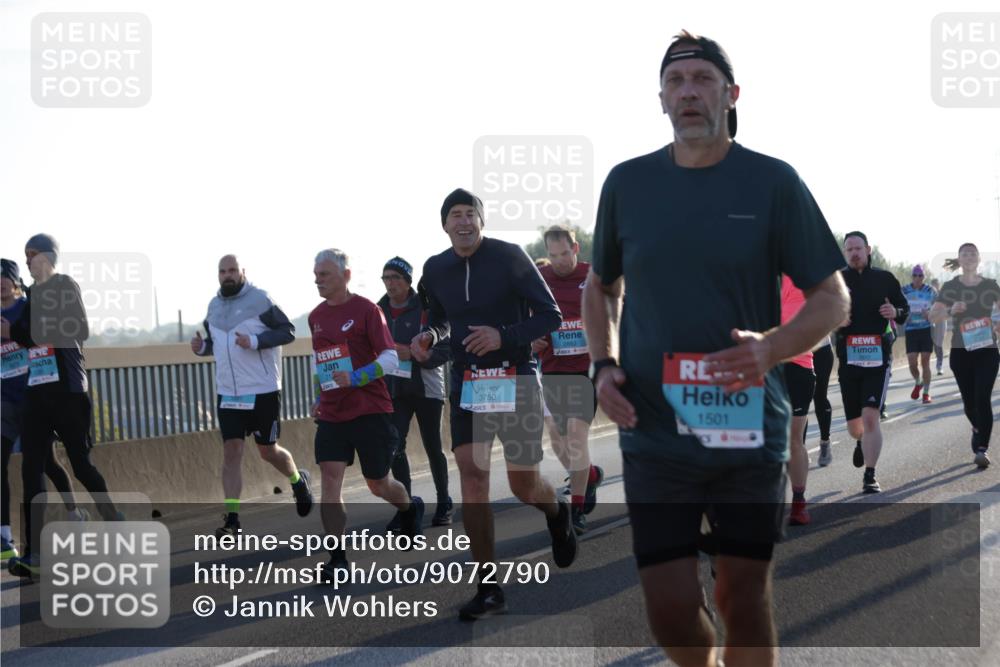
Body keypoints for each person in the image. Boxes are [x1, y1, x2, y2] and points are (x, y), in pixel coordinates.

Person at [582, 31, 848, 667]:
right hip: (654, 430)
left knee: (743, 596)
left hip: (746, 428)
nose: (689, 92)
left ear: (730, 95)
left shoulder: (772, 182)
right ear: (662, 100)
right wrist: (602, 363)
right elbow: (600, 287)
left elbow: (833, 298)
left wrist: (771, 349)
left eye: (702, 79)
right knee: (670, 609)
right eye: (676, 82)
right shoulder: (628, 183)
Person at [412, 188, 577, 621]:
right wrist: (430, 337)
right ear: (444, 224)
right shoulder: (434, 268)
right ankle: (488, 587)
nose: (463, 222)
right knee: (473, 477)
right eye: (455, 215)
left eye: (471, 214)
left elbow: (551, 316)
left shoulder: (510, 257)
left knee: (523, 485)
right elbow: (440, 319)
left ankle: (557, 513)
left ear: (481, 221)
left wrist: (503, 336)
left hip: (516, 376)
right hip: (468, 381)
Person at [3, 235, 123, 577]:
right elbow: (25, 336)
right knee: (31, 468)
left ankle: (113, 519)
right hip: (37, 393)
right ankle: (34, 554)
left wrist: (20, 330)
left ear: (48, 256)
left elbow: (79, 328)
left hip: (69, 391)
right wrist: (16, 330)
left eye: (32, 254)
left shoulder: (64, 285)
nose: (27, 261)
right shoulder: (31, 296)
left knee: (81, 465)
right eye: (24, 256)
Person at [310, 249, 423, 574]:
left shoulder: (367, 310)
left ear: (345, 276)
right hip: (332, 413)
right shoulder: (315, 316)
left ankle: (408, 508)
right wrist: (320, 393)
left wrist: (357, 377)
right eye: (316, 274)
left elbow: (390, 358)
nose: (318, 279)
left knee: (378, 483)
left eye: (325, 274)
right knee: (330, 482)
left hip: (370, 410)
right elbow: (322, 361)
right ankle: (337, 559)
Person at [191, 254, 312, 537]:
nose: (227, 275)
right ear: (218, 275)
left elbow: (288, 331)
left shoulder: (261, 299)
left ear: (243, 271)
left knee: (267, 451)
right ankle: (232, 520)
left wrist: (255, 341)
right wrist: (201, 347)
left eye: (232, 270)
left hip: (262, 390)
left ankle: (297, 480)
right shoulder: (213, 306)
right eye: (222, 271)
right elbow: (216, 346)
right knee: (231, 453)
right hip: (228, 394)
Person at [1, 258, 87, 562]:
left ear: (14, 281)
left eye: (5, 277)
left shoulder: (28, 306)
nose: (0, 283)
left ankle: (74, 513)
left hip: (34, 394)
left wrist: (12, 333)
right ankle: (5, 538)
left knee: (47, 463)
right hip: (5, 400)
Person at [532, 224, 604, 534]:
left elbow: (616, 312)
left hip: (586, 370)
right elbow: (525, 318)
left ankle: (575, 510)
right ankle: (587, 476)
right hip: (552, 371)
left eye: (564, 254)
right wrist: (531, 339)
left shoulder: (593, 276)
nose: (559, 261)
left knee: (576, 436)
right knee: (557, 440)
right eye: (553, 255)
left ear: (575, 249)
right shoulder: (540, 279)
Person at [377, 256, 453, 530]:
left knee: (433, 446)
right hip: (395, 389)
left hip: (428, 387)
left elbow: (447, 343)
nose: (390, 283)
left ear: (408, 281)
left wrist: (420, 355)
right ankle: (406, 506)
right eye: (386, 278)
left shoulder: (427, 306)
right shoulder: (378, 311)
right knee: (395, 447)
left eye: (396, 277)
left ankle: (444, 501)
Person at [837, 231, 909, 493]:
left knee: (870, 418)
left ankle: (870, 475)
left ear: (868, 249)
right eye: (849, 249)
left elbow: (904, 310)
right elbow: (823, 313)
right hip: (848, 359)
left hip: (878, 357)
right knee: (855, 427)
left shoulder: (885, 278)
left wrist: (895, 312)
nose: (854, 253)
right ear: (845, 253)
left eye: (858, 248)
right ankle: (860, 442)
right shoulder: (838, 280)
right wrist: (836, 319)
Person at [930, 243, 1000, 468]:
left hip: (988, 350)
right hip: (961, 352)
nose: (969, 257)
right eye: (964, 254)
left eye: (972, 254)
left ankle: (982, 449)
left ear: (979, 259)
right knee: (970, 403)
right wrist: (950, 310)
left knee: (982, 398)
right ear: (959, 261)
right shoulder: (950, 287)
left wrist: (998, 324)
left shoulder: (990, 285)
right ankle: (977, 427)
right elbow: (933, 315)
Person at [782, 276, 816, 526]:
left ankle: (798, 502)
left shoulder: (798, 279)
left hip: (797, 368)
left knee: (794, 438)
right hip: (760, 367)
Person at [902, 264, 936, 404]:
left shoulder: (930, 290)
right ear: (912, 276)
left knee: (925, 361)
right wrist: (904, 315)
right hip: (910, 329)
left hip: (926, 328)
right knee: (912, 362)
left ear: (924, 277)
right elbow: (898, 305)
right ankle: (918, 381)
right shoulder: (904, 290)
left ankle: (926, 393)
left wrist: (930, 313)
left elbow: (939, 307)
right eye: (915, 275)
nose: (917, 278)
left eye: (920, 275)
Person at [811, 333, 835, 466]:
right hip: (796, 353)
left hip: (821, 350)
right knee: (799, 401)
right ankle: (799, 449)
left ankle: (825, 442)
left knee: (819, 396)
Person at [929, 278, 947, 374]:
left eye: (936, 285)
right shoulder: (929, 295)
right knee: (934, 345)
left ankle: (939, 365)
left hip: (941, 321)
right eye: (932, 285)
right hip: (931, 321)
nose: (934, 287)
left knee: (939, 344)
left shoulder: (943, 295)